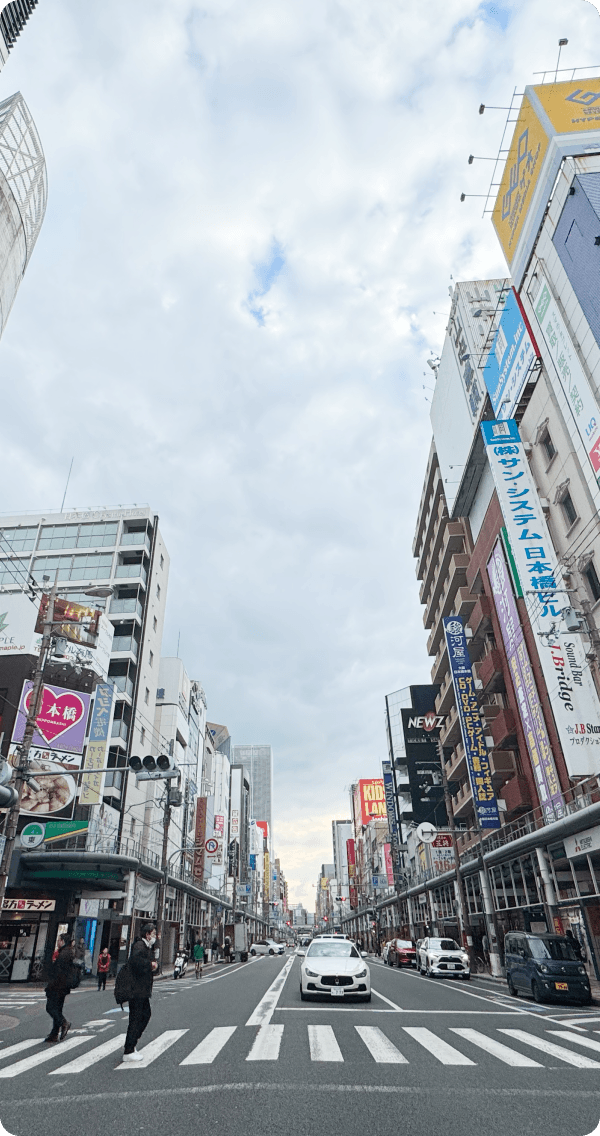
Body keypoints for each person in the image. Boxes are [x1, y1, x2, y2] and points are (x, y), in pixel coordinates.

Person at [123, 922, 158, 1063]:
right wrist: (150, 965)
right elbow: (136, 962)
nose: (155, 936)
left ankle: (131, 1045)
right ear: (148, 934)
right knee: (138, 1017)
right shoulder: (139, 946)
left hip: (140, 990)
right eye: (154, 934)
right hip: (137, 990)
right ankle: (129, 1049)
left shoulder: (145, 946)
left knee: (143, 1015)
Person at [44, 933, 75, 1044]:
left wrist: (50, 987)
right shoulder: (68, 952)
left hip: (58, 986)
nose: (58, 942)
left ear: (62, 941)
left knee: (51, 1008)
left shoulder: (64, 954)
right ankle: (54, 1034)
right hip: (63, 986)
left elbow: (58, 973)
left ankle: (64, 1023)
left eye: (59, 940)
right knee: (57, 1008)